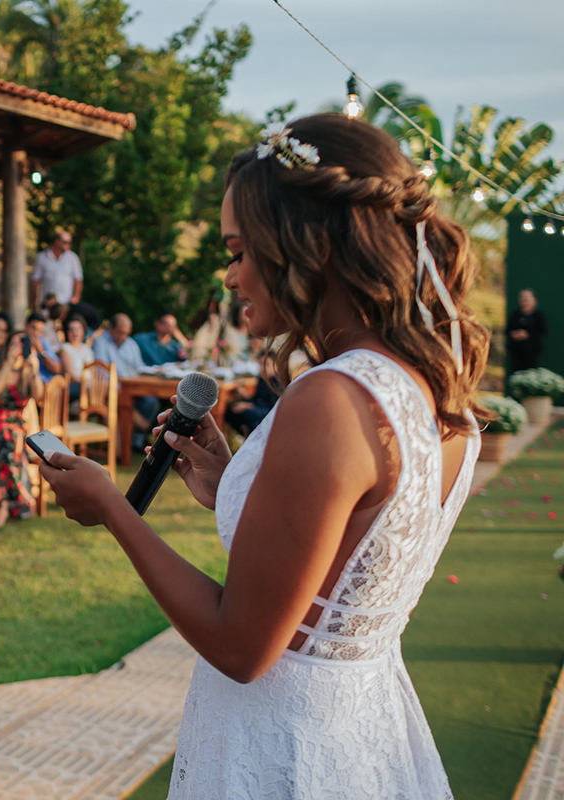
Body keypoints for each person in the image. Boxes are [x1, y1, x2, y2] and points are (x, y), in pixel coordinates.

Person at [40, 115, 488, 799]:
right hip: (366, 733)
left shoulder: (333, 399)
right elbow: (342, 571)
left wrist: (110, 506)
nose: (230, 277)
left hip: (286, 749)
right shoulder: (429, 386)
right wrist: (230, 485)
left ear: (306, 244)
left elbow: (243, 647)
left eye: (239, 251)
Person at [0, 330, 43, 526]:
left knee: (6, 440)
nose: (18, 349)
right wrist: (8, 365)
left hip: (14, 430)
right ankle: (15, 497)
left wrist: (35, 371)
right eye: (14, 344)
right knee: (5, 437)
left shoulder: (27, 373)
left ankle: (1, 504)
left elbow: (39, 397)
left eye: (22, 345)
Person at [94, 313, 157, 447]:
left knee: (152, 401)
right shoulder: (100, 342)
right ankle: (143, 426)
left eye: (126, 333)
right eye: (120, 333)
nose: (123, 337)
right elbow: (101, 372)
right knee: (122, 399)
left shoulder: (130, 344)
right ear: (110, 328)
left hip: (132, 387)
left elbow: (139, 367)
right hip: (112, 388)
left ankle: (137, 439)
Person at [31, 229, 83, 306]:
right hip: (48, 303)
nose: (68, 245)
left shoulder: (73, 258)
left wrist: (75, 298)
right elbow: (36, 280)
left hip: (66, 302)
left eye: (70, 243)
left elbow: (78, 279)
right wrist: (34, 300)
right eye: (65, 242)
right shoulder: (42, 257)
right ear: (57, 241)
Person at [507, 288, 548, 374]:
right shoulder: (514, 315)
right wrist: (515, 334)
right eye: (522, 297)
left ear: (534, 300)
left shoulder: (539, 316)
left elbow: (542, 331)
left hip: (532, 353)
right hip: (516, 353)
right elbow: (507, 330)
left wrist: (527, 334)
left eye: (527, 298)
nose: (524, 300)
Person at [58, 315, 94, 402]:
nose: (75, 333)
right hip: (75, 386)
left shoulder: (87, 349)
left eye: (78, 329)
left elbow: (94, 371)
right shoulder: (65, 348)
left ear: (83, 331)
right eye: (71, 330)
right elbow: (71, 375)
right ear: (67, 332)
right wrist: (88, 383)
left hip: (89, 385)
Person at [26, 311, 63, 382]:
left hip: (45, 384)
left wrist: (41, 352)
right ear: (26, 326)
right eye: (33, 328)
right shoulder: (19, 341)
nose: (36, 333)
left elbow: (57, 369)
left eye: (39, 330)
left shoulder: (44, 342)